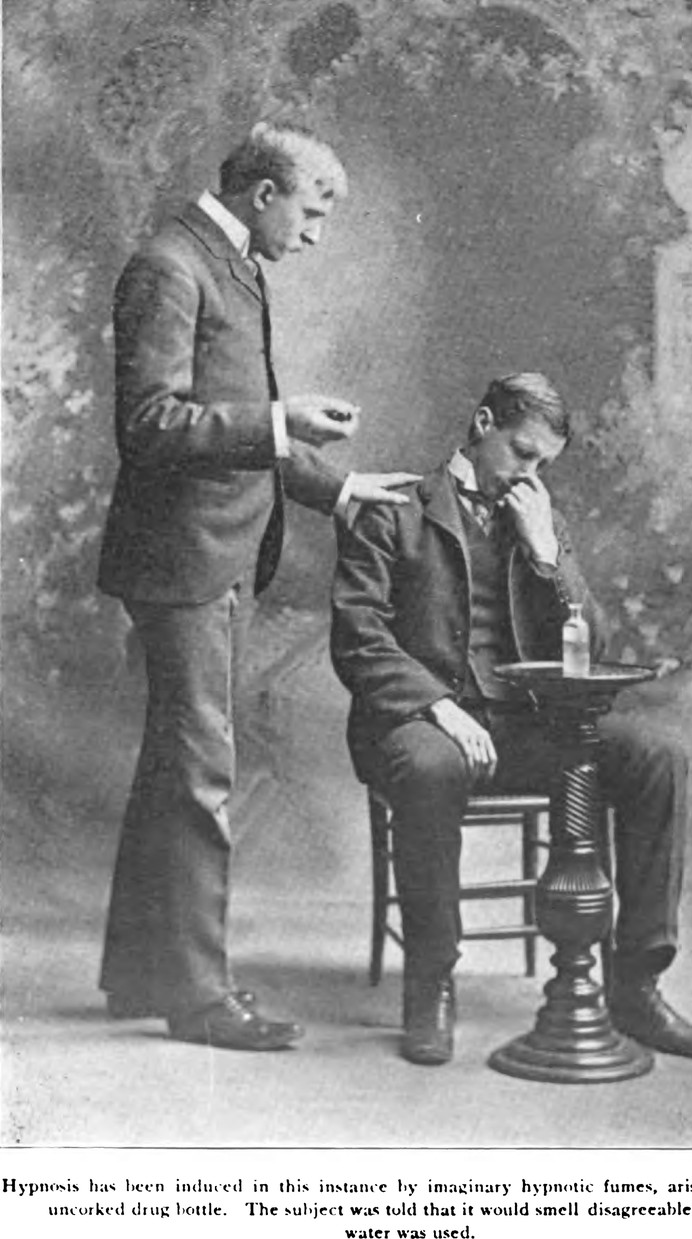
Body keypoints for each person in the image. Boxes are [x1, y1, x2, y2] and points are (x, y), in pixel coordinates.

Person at [98, 121, 419, 1050]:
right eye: (311, 212)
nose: (315, 234)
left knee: (176, 763)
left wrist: (343, 489)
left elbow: (237, 431)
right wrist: (280, 420)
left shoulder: (227, 261)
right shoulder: (171, 265)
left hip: (215, 553)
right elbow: (151, 424)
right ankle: (198, 996)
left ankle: (140, 973)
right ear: (264, 192)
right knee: (201, 770)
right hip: (182, 562)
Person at [331, 372, 692, 1067]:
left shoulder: (538, 515)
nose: (530, 473)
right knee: (430, 766)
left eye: (543, 462)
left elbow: (589, 645)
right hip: (421, 723)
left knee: (657, 756)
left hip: (525, 729)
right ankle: (431, 984)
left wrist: (547, 556)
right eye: (522, 452)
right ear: (483, 425)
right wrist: (439, 708)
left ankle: (635, 984)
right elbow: (359, 637)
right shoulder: (394, 509)